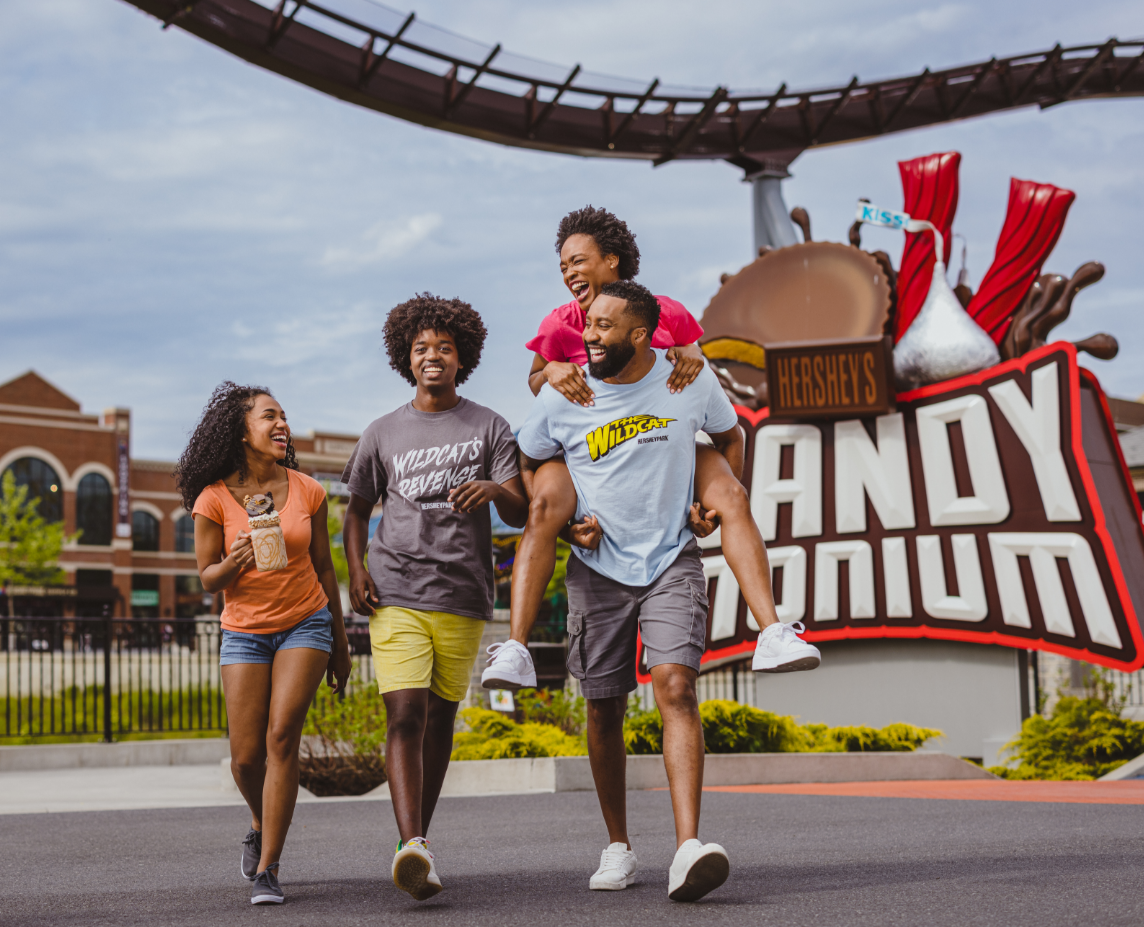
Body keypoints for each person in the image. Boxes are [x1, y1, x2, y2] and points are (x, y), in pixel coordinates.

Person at [483, 206, 819, 691]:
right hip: (589, 447)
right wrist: (550, 372)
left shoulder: (663, 312)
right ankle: (517, 648)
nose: (568, 272)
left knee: (730, 494)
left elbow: (696, 364)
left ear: (612, 260)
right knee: (544, 502)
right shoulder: (560, 323)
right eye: (562, 266)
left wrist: (691, 353)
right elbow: (536, 381)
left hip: (660, 436)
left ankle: (772, 631)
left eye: (577, 260)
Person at [516, 280, 776, 901]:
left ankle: (688, 847)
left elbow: (731, 434)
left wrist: (712, 501)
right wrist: (562, 516)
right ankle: (619, 847)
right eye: (587, 324)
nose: (588, 334)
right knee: (604, 705)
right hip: (597, 565)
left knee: (676, 686)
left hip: (670, 559)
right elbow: (529, 459)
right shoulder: (565, 389)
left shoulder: (687, 379)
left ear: (639, 334)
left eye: (604, 325)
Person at [341, 294, 526, 901]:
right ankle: (412, 842)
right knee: (406, 714)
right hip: (395, 590)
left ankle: (417, 838)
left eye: (443, 348)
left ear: (461, 356)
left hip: (463, 594)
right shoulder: (382, 431)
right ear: (406, 357)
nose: (432, 356)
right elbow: (356, 510)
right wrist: (356, 570)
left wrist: (494, 488)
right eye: (421, 348)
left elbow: (522, 509)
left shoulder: (490, 426)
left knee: (441, 722)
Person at [177, 382, 352, 906]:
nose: (282, 425)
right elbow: (208, 578)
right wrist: (237, 560)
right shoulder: (212, 498)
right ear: (241, 430)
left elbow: (324, 567)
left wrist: (341, 646)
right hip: (245, 632)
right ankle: (259, 821)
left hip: (306, 622)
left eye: (284, 417)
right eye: (269, 417)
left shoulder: (308, 490)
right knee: (245, 758)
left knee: (282, 739)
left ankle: (269, 868)